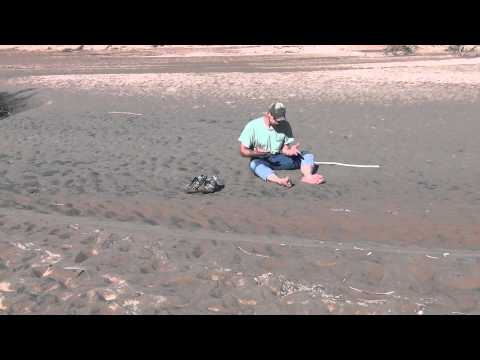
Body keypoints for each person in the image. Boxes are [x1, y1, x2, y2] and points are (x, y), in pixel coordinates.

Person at [238, 102, 325, 188]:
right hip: (262, 159)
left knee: (307, 155)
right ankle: (279, 180)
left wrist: (289, 151)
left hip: (280, 158)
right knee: (254, 164)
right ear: (268, 114)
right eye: (276, 119)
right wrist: (258, 153)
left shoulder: (285, 125)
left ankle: (308, 176)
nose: (278, 122)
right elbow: (243, 151)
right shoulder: (252, 126)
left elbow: (284, 148)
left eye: (281, 119)